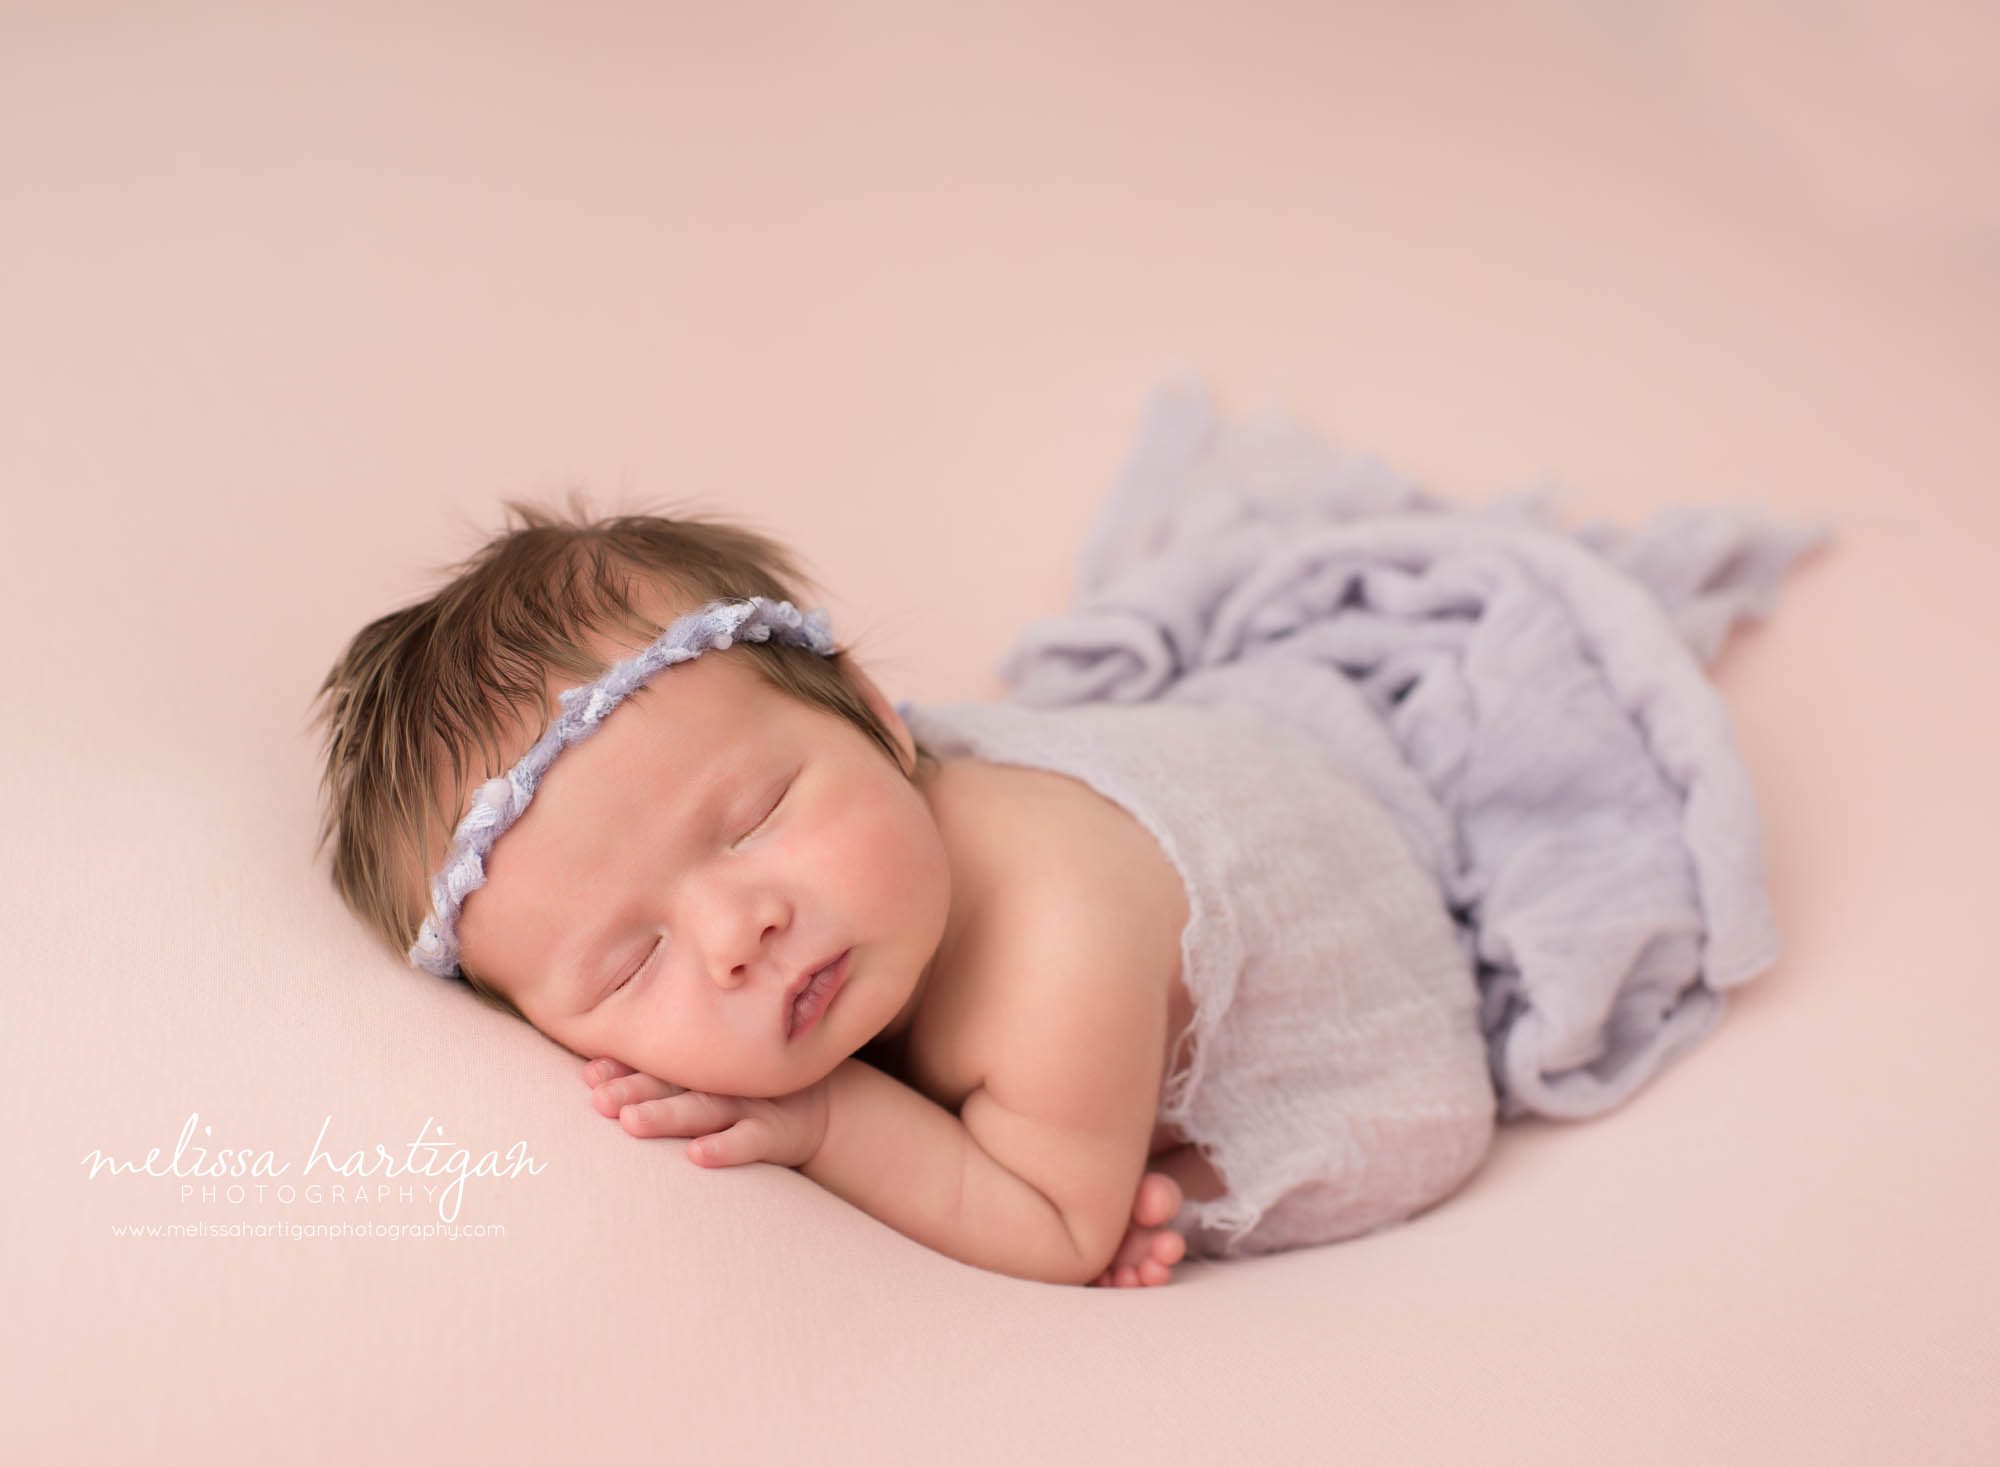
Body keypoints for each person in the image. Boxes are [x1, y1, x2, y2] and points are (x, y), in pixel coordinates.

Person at [309, 496, 1495, 1284]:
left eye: (756, 819)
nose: (736, 933)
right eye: (633, 962)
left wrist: (829, 1121)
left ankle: (1153, 1130)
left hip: (1342, 919)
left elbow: (1058, 1232)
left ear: (878, 715)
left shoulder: (1055, 943)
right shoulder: (856, 855)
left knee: (1152, 1199)